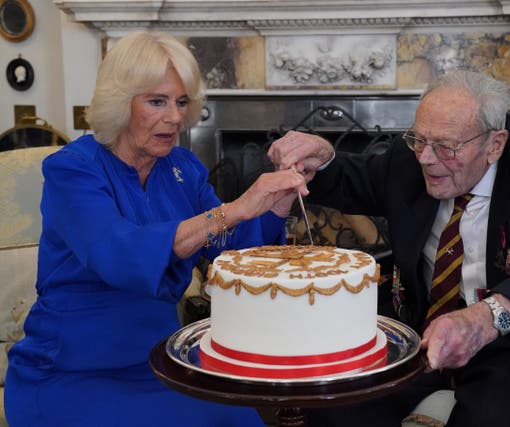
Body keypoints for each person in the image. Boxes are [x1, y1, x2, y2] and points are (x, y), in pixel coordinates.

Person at [268, 70, 510, 427]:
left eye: (446, 147)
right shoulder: (411, 161)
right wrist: (321, 158)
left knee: (491, 419)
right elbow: (353, 178)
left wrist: (488, 317)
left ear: (495, 144)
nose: (426, 158)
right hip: (421, 335)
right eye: (418, 139)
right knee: (336, 411)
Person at [4, 31, 307, 427]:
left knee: (241, 420)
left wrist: (277, 203)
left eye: (182, 102)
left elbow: (232, 253)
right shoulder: (72, 170)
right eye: (157, 101)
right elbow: (117, 253)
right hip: (72, 372)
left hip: (162, 362)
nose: (176, 116)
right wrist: (233, 209)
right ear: (119, 102)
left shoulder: (183, 168)